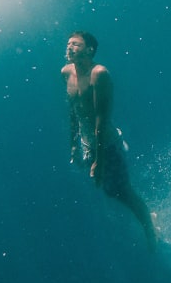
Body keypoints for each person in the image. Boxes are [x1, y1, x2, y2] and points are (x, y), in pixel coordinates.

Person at [61, 31, 157, 250]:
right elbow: (73, 110)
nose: (69, 47)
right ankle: (146, 217)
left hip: (107, 145)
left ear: (89, 50)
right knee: (111, 191)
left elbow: (101, 119)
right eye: (68, 44)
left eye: (75, 44)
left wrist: (99, 161)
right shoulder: (66, 72)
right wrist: (74, 144)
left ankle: (149, 227)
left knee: (123, 190)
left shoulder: (99, 74)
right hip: (88, 146)